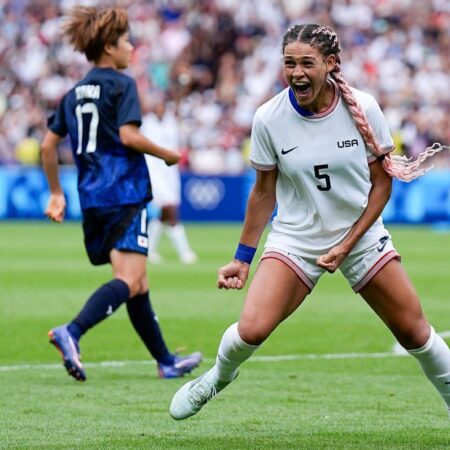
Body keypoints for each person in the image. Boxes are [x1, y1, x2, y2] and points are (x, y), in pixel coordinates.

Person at [169, 24, 450, 419]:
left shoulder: (365, 108)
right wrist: (242, 257)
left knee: (414, 333)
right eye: (289, 64)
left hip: (362, 237)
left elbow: (381, 187)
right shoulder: (268, 117)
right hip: (297, 240)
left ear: (331, 64)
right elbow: (264, 192)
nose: (297, 72)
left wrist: (346, 245)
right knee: (251, 330)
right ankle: (217, 377)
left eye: (307, 63)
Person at [41, 6, 202, 381]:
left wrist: (55, 194)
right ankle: (73, 331)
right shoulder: (121, 84)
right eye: (127, 41)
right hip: (126, 193)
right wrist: (166, 154)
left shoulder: (73, 93)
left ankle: (164, 360)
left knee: (138, 282)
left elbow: (48, 148)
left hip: (92, 196)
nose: (131, 47)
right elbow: (129, 136)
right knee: (129, 280)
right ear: (109, 47)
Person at [141, 94, 198, 265]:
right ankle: (185, 252)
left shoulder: (171, 121)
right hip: (155, 171)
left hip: (171, 172)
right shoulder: (146, 123)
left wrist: (183, 87)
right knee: (170, 210)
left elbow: (179, 107)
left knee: (164, 214)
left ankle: (148, 249)